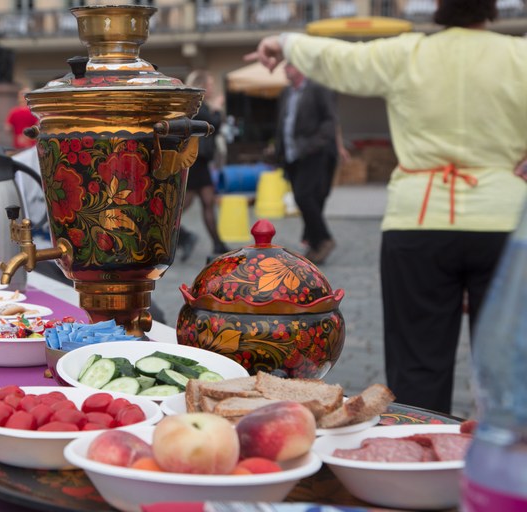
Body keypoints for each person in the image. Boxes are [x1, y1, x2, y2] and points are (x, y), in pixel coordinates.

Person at [248, 0, 527, 414]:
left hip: (419, 220)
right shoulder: (518, 54)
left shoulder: (408, 52)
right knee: (511, 366)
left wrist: (283, 41)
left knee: (418, 365)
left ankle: (421, 457)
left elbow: (340, 59)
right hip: (507, 222)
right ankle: (509, 468)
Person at [275, 63, 339, 264]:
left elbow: (330, 121)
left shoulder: (317, 89)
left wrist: (313, 145)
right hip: (291, 155)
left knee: (305, 197)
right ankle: (315, 242)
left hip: (313, 154)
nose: (285, 69)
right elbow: (282, 123)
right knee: (304, 197)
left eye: (290, 66)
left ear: (301, 68)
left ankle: (324, 239)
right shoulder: (286, 93)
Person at [179, 70, 230, 260]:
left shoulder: (198, 104)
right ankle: (180, 236)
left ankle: (217, 243)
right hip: (195, 161)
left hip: (198, 161)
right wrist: (217, 108)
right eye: (209, 84)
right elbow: (210, 127)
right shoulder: (197, 104)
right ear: (201, 85)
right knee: (183, 204)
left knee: (206, 202)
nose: (213, 88)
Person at [4, 87, 38, 151]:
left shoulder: (13, 112)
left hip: (18, 145)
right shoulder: (34, 112)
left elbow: (7, 128)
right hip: (32, 146)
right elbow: (39, 127)